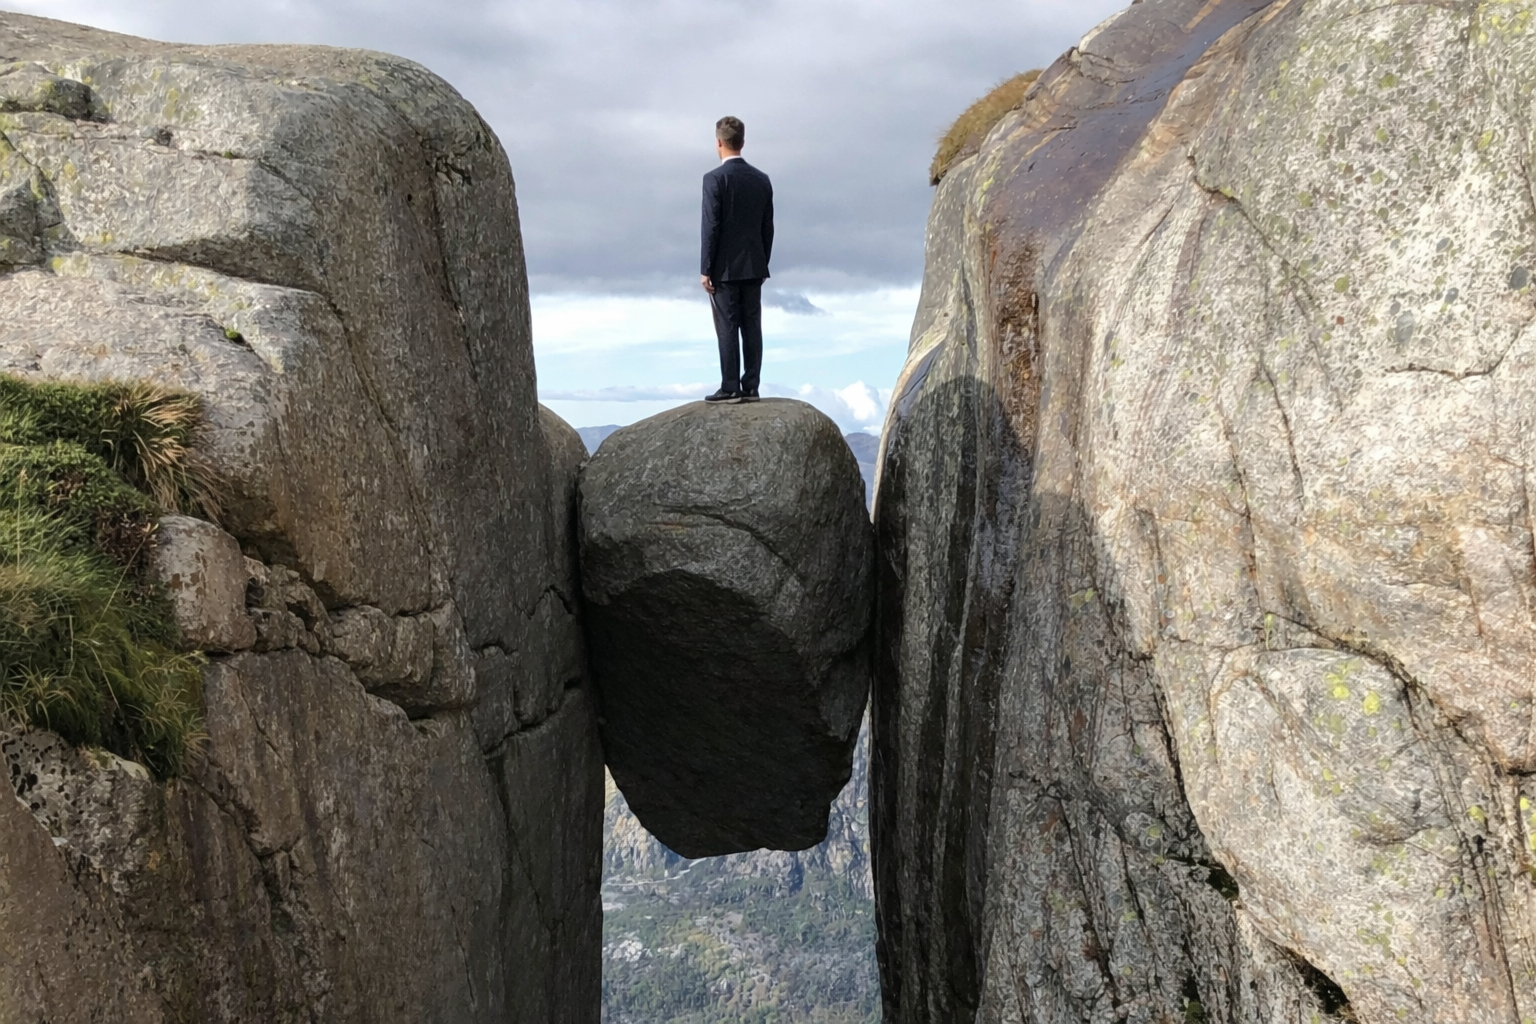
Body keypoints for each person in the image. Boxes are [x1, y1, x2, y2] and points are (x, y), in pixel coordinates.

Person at [700, 115, 774, 404]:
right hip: (755, 264)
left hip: (724, 267)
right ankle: (751, 385)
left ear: (719, 142)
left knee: (728, 325)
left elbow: (711, 226)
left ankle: (730, 386)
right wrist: (762, 261)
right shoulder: (761, 180)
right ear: (742, 142)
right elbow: (767, 227)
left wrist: (706, 268)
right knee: (752, 325)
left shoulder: (714, 179)